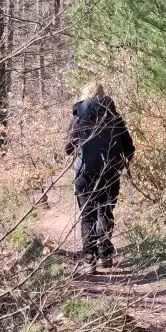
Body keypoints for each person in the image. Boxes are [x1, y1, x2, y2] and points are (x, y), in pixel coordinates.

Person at [65, 82, 135, 270]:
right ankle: (105, 254)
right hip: (110, 172)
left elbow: (68, 148)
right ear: (104, 97)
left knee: (87, 215)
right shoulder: (114, 117)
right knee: (105, 211)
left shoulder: (78, 117)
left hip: (84, 174)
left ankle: (89, 259)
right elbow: (130, 149)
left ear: (84, 97)